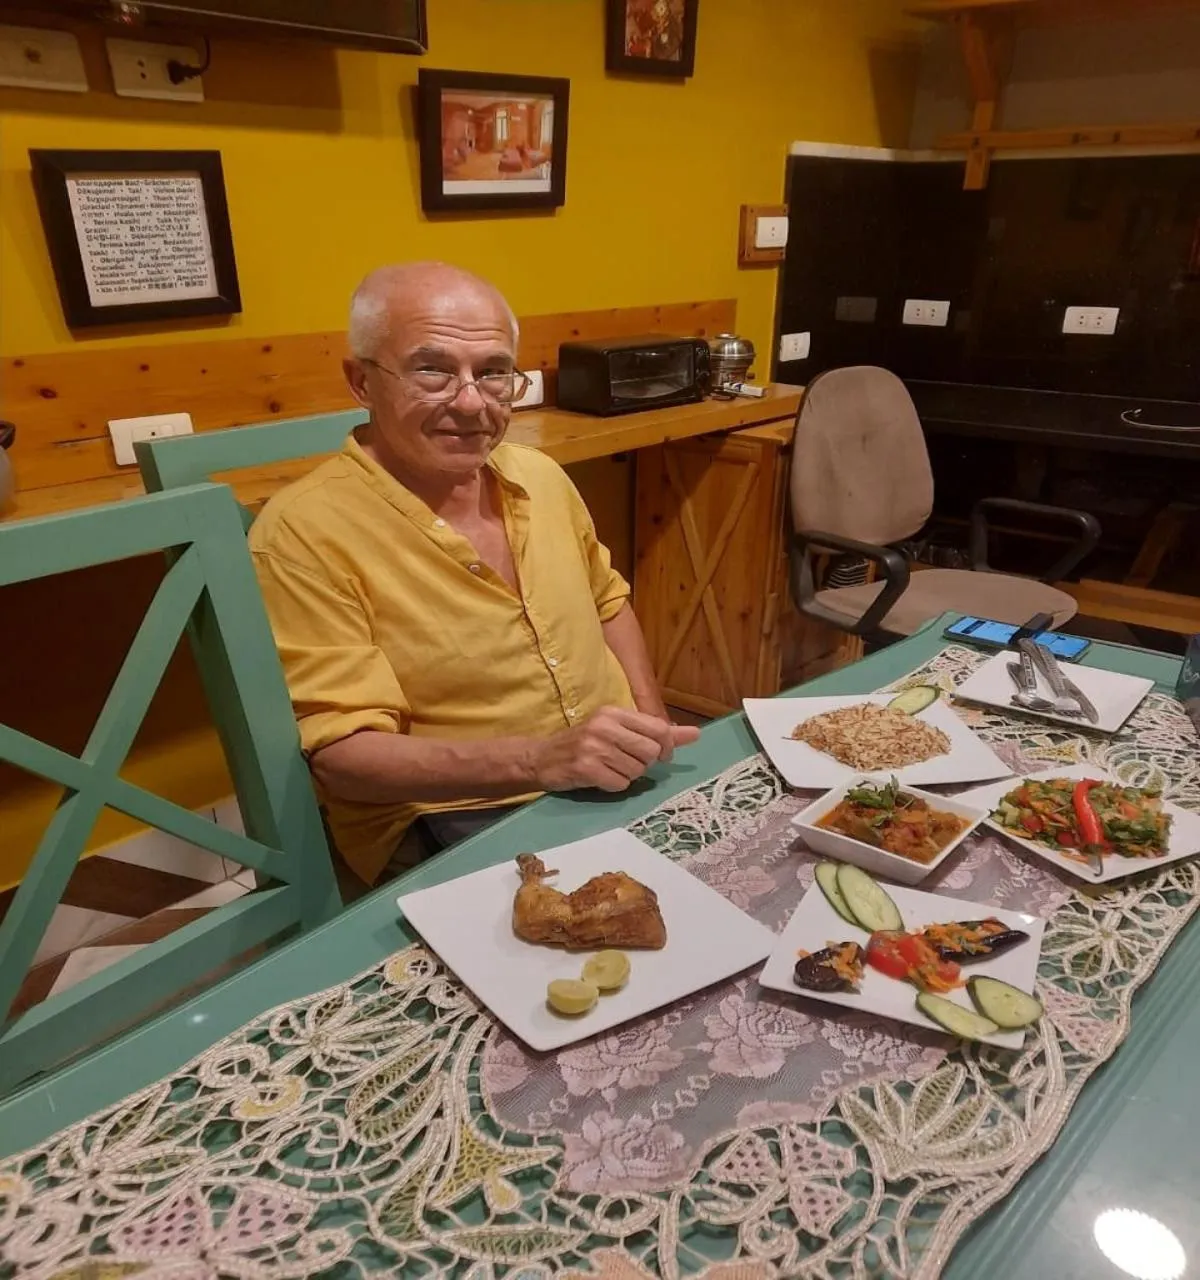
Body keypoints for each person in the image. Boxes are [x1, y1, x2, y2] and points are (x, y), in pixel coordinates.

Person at [249, 262, 700, 886]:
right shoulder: (301, 533)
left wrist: (651, 729)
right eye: (432, 369)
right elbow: (344, 759)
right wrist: (544, 760)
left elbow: (607, 603)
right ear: (361, 382)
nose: (470, 403)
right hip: (458, 811)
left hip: (607, 776)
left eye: (493, 373)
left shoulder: (539, 475)